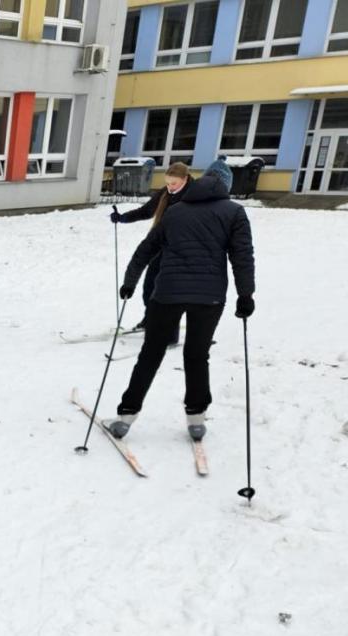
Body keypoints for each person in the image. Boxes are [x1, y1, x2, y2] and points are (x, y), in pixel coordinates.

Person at [107, 164, 254, 442]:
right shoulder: (234, 212)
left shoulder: (176, 211)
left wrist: (129, 281)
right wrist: (246, 295)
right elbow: (242, 256)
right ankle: (196, 420)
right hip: (209, 297)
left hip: (168, 293)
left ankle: (126, 416)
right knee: (197, 356)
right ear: (226, 187)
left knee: (150, 354)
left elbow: (146, 249)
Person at [110, 161, 191, 344]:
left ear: (185, 179)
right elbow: (146, 211)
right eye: (168, 183)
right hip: (160, 243)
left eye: (174, 183)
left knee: (170, 292)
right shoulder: (165, 193)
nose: (170, 187)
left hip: (182, 250)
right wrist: (122, 218)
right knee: (150, 288)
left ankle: (170, 333)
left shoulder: (193, 196)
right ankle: (151, 318)